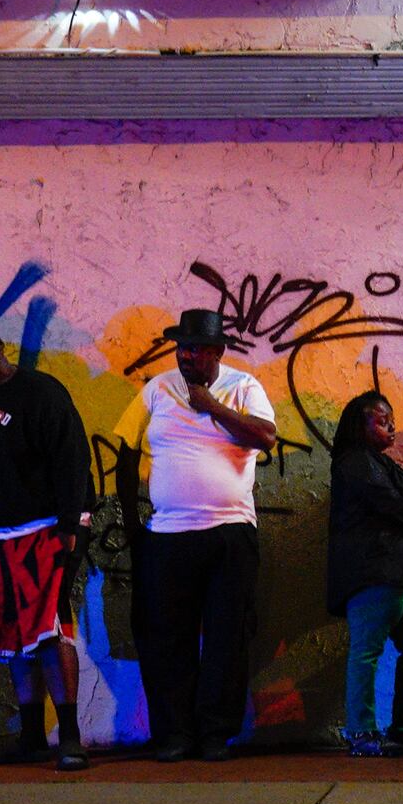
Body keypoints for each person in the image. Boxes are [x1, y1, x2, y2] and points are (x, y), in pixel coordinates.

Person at [118, 306, 278, 760]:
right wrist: (135, 528)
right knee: (167, 638)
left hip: (230, 532)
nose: (186, 357)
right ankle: (175, 734)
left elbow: (265, 438)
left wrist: (212, 407)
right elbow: (127, 452)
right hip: (168, 535)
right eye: (182, 348)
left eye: (197, 349)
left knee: (227, 635)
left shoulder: (244, 387)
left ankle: (214, 733)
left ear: (217, 352)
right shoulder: (157, 388)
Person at [0, 320, 95, 770]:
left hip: (48, 528)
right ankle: (31, 735)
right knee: (12, 638)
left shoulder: (40, 392)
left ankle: (69, 736)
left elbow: (73, 455)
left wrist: (70, 523)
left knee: (49, 631)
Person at [325, 390, 403, 757]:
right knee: (367, 652)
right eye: (382, 418)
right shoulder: (353, 462)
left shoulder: (387, 466)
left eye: (392, 418)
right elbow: (386, 502)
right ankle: (360, 732)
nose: (392, 425)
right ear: (360, 424)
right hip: (374, 573)